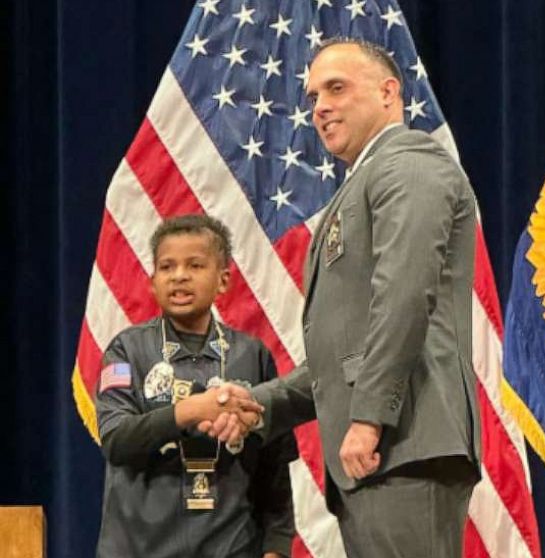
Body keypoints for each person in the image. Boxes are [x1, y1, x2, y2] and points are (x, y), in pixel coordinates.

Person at [206, 37, 481, 558]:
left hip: (404, 442)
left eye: (336, 88)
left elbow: (404, 297)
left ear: (388, 92)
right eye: (312, 97)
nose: (320, 108)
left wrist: (370, 417)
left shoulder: (409, 164)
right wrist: (259, 405)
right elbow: (345, 358)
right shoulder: (362, 185)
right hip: (386, 450)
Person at [95, 214, 296, 558]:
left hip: (232, 546)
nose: (179, 276)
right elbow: (116, 439)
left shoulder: (252, 354)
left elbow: (274, 464)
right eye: (166, 267)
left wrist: (277, 547)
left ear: (223, 280)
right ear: (151, 282)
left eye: (195, 265)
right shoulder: (125, 349)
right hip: (139, 548)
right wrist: (190, 411)